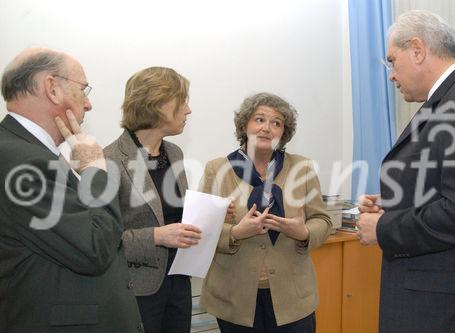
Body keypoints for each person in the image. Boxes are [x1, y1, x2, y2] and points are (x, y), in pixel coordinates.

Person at [357, 10, 455, 333]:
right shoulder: (452, 99)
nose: (391, 75)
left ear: (418, 50)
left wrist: (384, 228)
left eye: (392, 61)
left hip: (447, 309)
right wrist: (394, 202)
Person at [0, 48, 143, 332]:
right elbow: (93, 246)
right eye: (83, 90)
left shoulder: (28, 151)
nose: (88, 104)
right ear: (52, 88)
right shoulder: (23, 160)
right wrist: (94, 170)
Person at [199, 92, 332, 332]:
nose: (266, 128)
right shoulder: (217, 169)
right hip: (234, 298)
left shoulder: (301, 168)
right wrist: (237, 232)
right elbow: (202, 230)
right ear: (244, 125)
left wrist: (303, 232)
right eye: (259, 119)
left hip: (293, 298)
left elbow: (322, 220)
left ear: (284, 132)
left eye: (276, 123)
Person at [104, 67, 202, 333]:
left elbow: (175, 216)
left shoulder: (175, 153)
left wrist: (209, 216)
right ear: (157, 104)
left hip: (179, 280)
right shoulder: (109, 161)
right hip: (136, 289)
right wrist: (157, 236)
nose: (188, 110)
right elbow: (103, 241)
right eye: (182, 102)